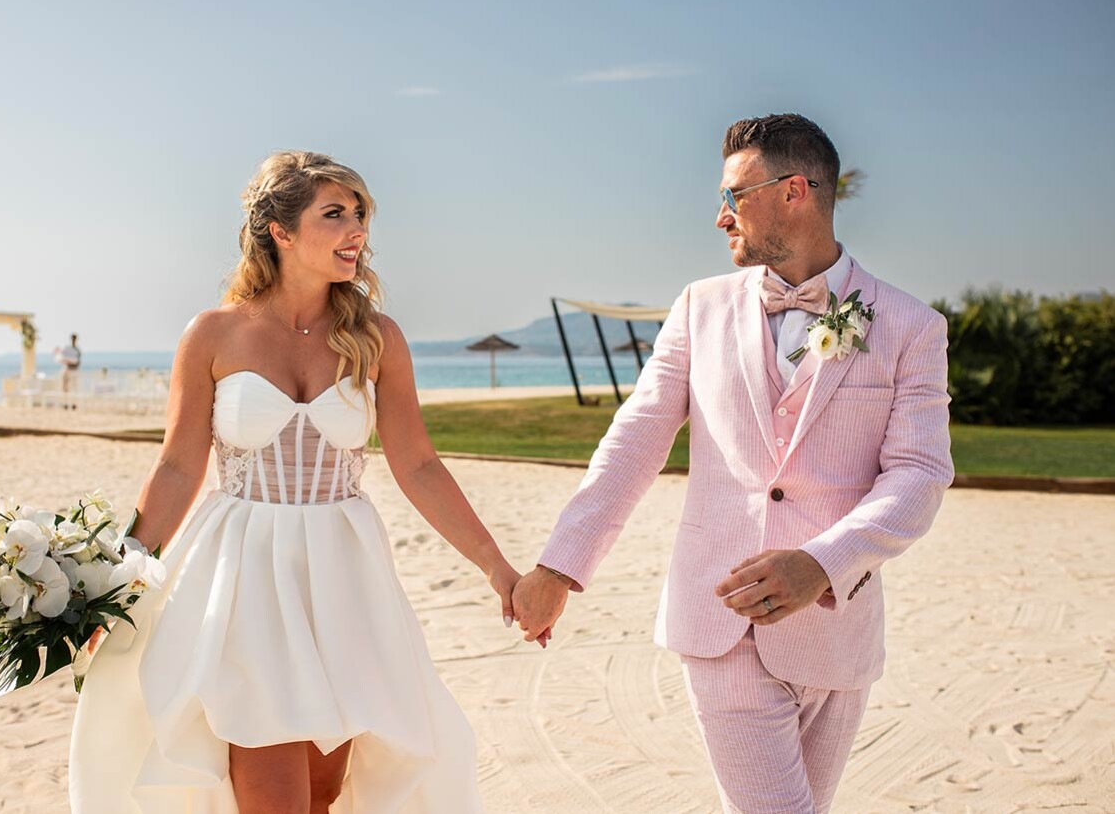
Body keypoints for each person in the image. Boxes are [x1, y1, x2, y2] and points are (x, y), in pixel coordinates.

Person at [513, 114, 954, 813]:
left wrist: (822, 563)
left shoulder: (909, 326)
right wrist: (560, 565)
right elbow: (636, 439)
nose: (719, 216)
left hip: (838, 629)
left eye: (733, 195)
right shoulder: (698, 308)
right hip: (720, 621)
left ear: (794, 191)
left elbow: (920, 474)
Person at [70, 151, 514, 813]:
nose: (355, 228)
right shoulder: (214, 334)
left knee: (320, 793)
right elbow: (178, 464)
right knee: (272, 795)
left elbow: (418, 463)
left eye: (361, 213)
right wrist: (118, 575)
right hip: (242, 577)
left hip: (344, 579)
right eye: (334, 213)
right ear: (279, 230)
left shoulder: (377, 338)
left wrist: (496, 568)